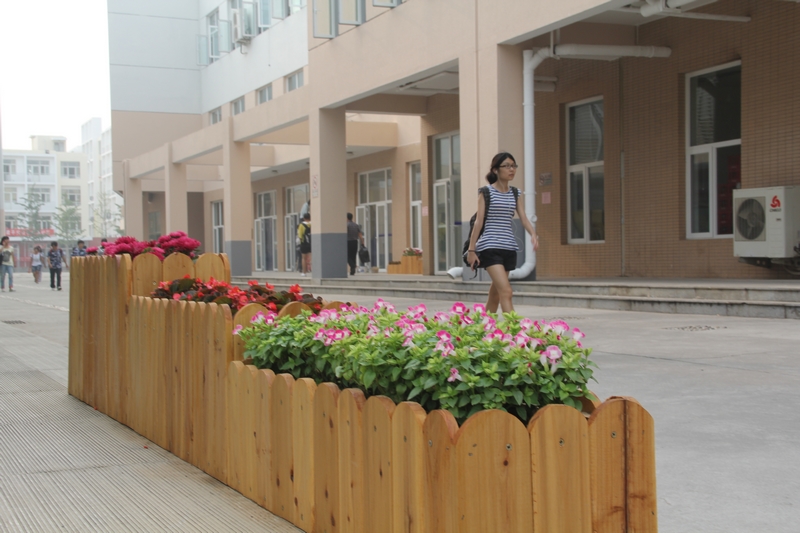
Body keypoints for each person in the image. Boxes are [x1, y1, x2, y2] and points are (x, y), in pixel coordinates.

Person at [465, 152, 538, 313]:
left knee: (496, 295)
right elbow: (479, 222)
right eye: (507, 166)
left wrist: (533, 234)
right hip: (490, 247)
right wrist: (471, 250)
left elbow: (524, 218)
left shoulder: (515, 193)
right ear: (495, 170)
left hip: (509, 248)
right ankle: (513, 327)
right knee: (506, 291)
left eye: (513, 166)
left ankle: (485, 324)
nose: (511, 169)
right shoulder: (486, 192)